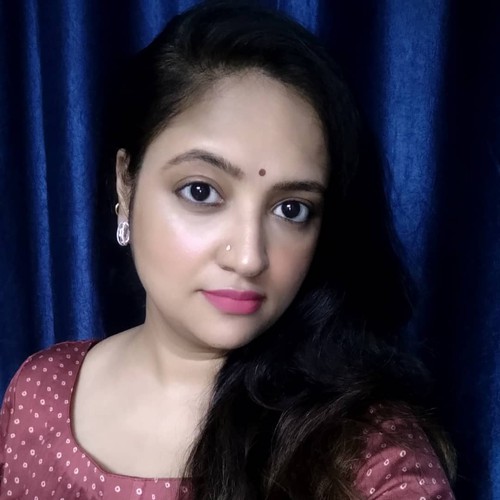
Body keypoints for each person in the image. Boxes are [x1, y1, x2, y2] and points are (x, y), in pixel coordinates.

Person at [0, 1, 456, 498]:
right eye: (201, 191)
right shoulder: (38, 392)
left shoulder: (366, 450)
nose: (249, 258)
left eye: (291, 209)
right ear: (126, 185)